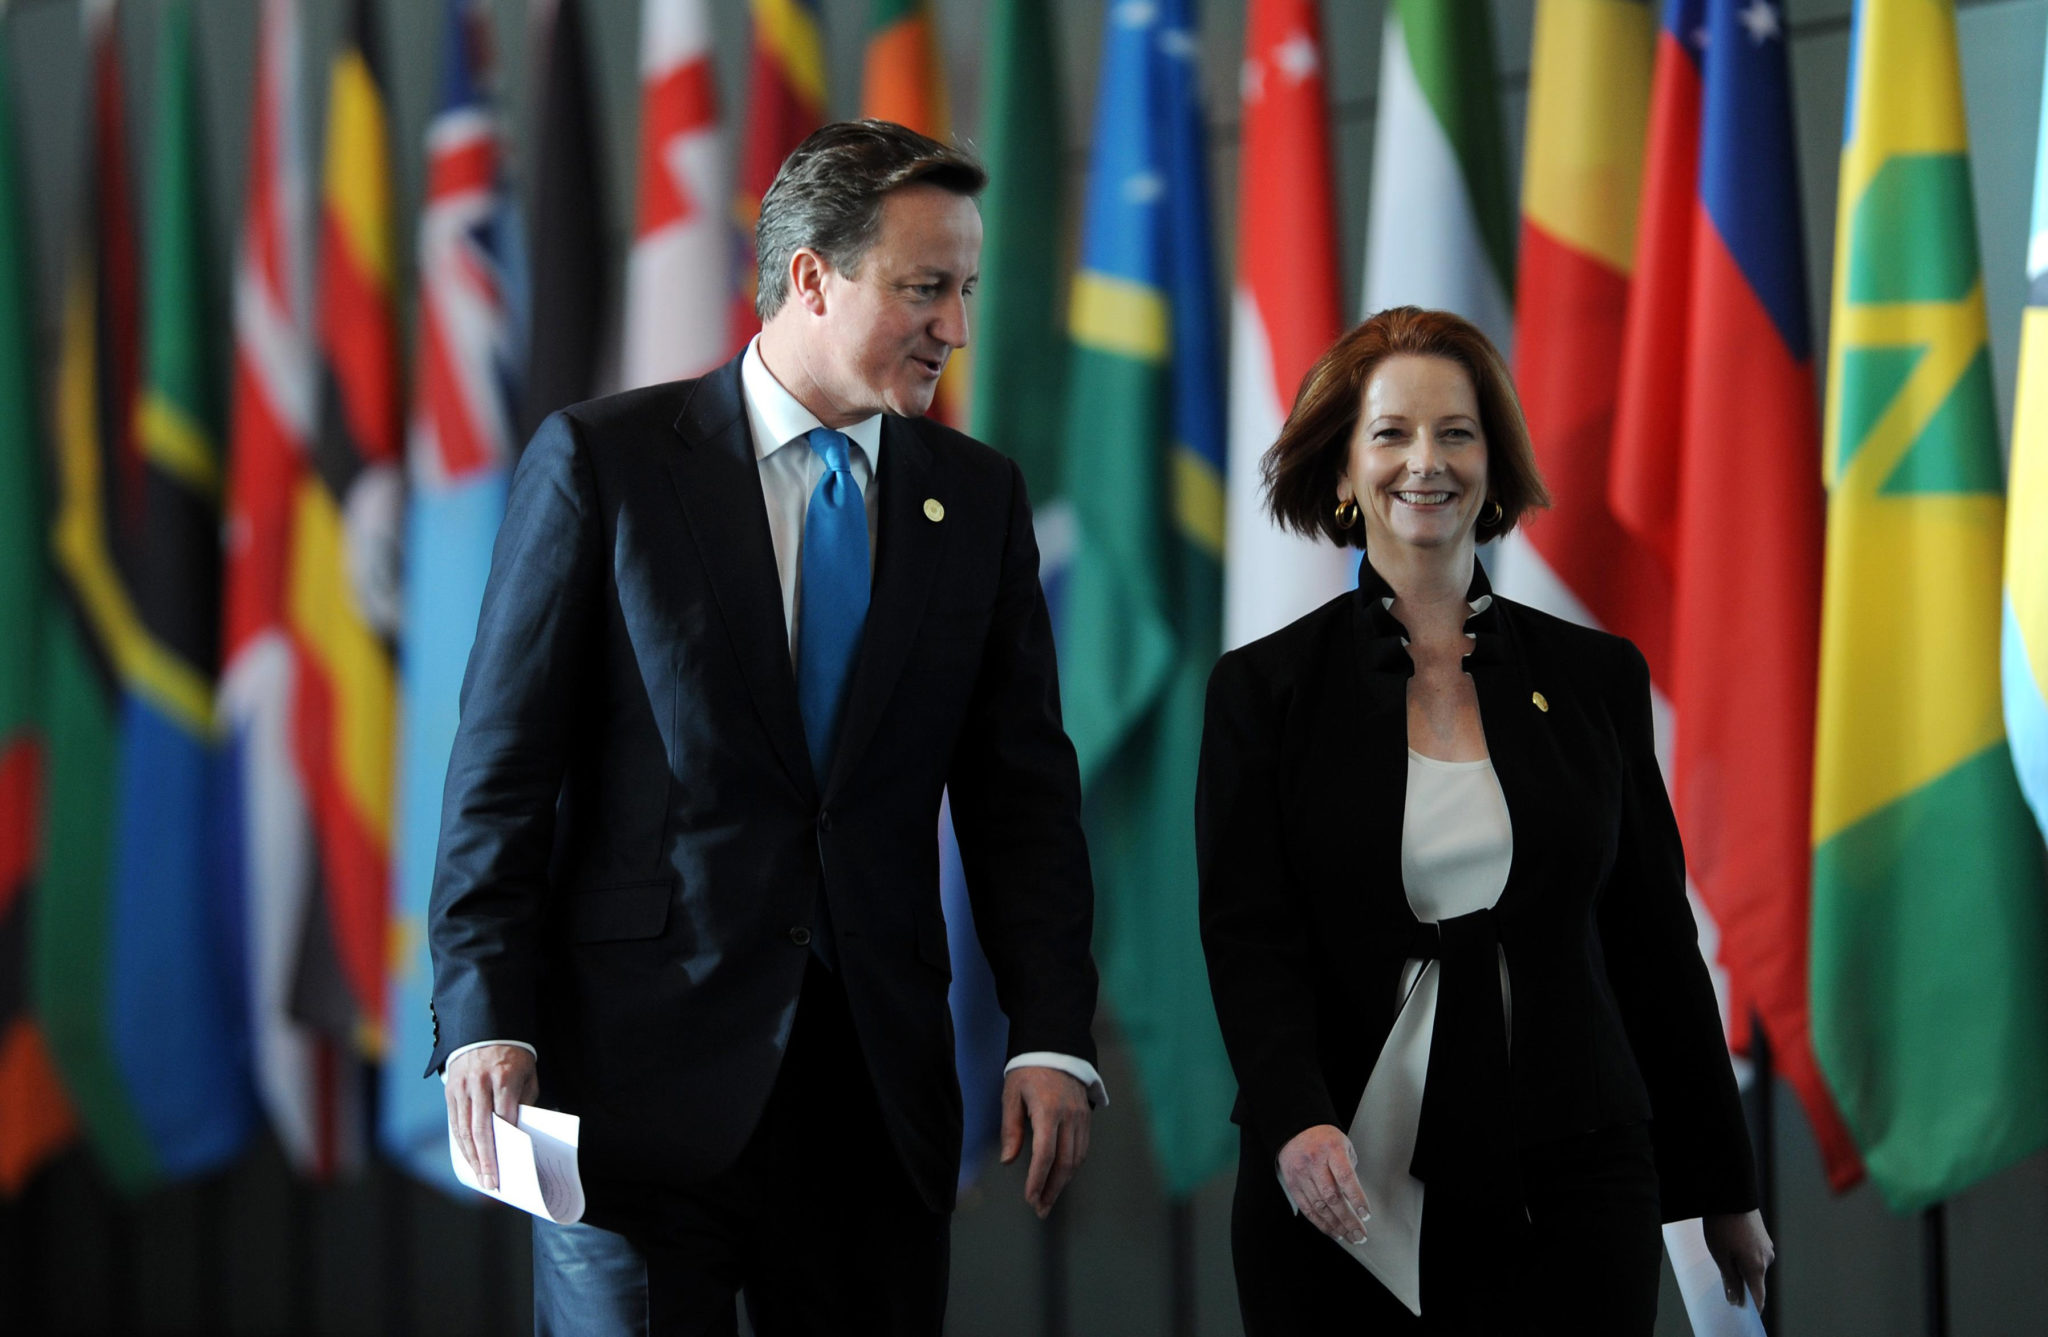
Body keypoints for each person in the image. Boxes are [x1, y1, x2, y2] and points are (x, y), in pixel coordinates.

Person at [425, 121, 1104, 1337]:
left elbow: (1021, 802)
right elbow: (500, 775)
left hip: (873, 1095)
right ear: (811, 277)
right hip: (631, 1088)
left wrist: (1050, 1032)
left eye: (965, 289)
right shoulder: (605, 464)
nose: (956, 326)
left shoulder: (978, 499)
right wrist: (487, 1014)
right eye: (924, 288)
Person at [1196, 307, 1773, 1333]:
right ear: (1339, 472)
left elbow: (1650, 942)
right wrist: (1293, 1116)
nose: (1426, 460)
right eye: (1391, 433)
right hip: (1339, 1181)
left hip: (1577, 1181)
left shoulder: (1594, 678)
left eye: (1455, 432)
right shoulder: (1263, 690)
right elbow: (1249, 939)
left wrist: (1721, 1184)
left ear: (1493, 464)